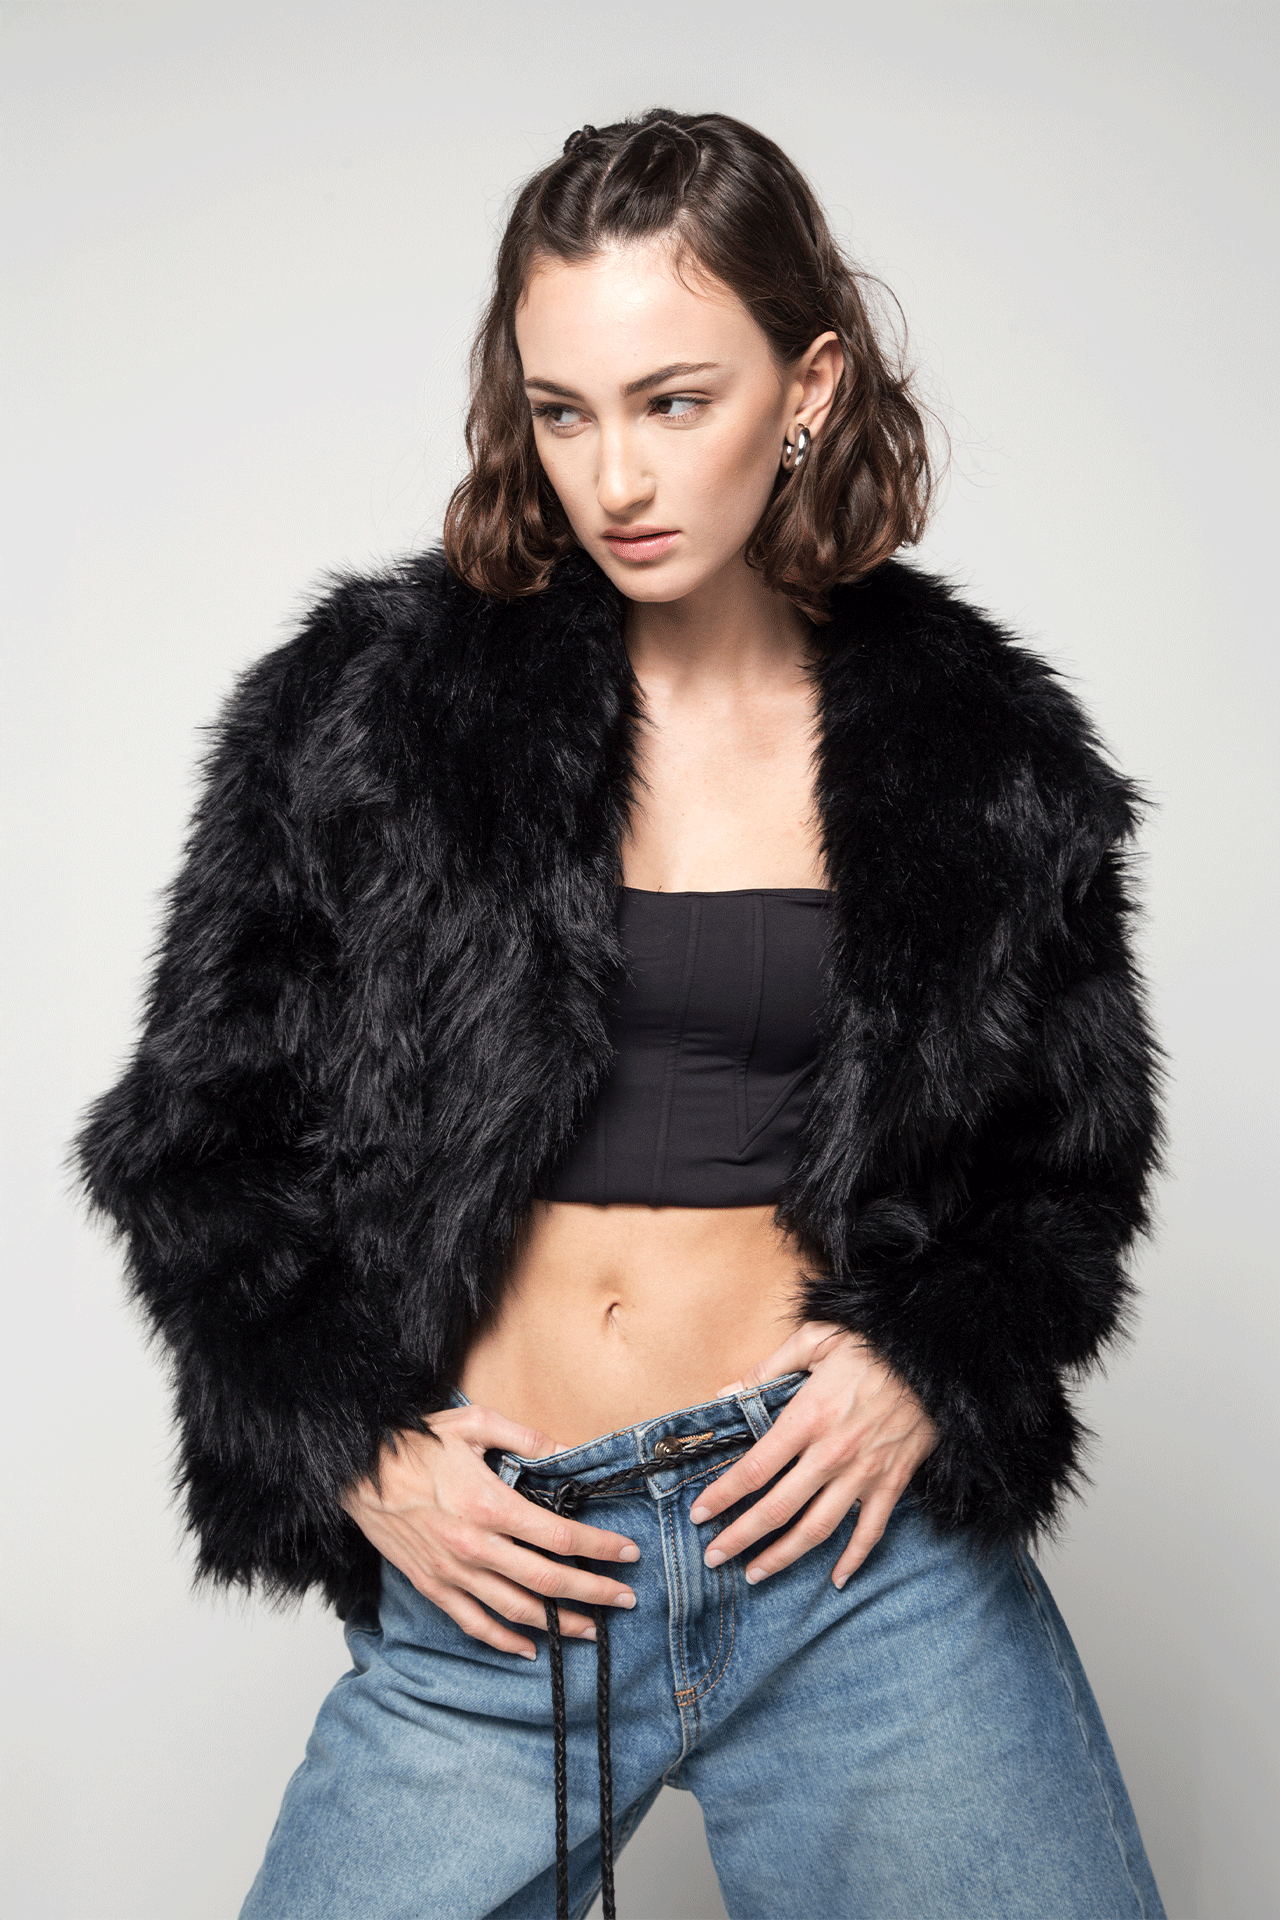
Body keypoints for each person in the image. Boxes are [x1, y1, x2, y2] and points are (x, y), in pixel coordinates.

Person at [75, 109, 1168, 1920]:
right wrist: (358, 1446)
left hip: (852, 1571)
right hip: (507, 1575)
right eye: (564, 412)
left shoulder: (984, 757)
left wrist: (929, 1358)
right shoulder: (371, 715)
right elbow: (196, 1149)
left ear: (809, 386)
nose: (616, 477)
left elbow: (1067, 1174)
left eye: (675, 401)